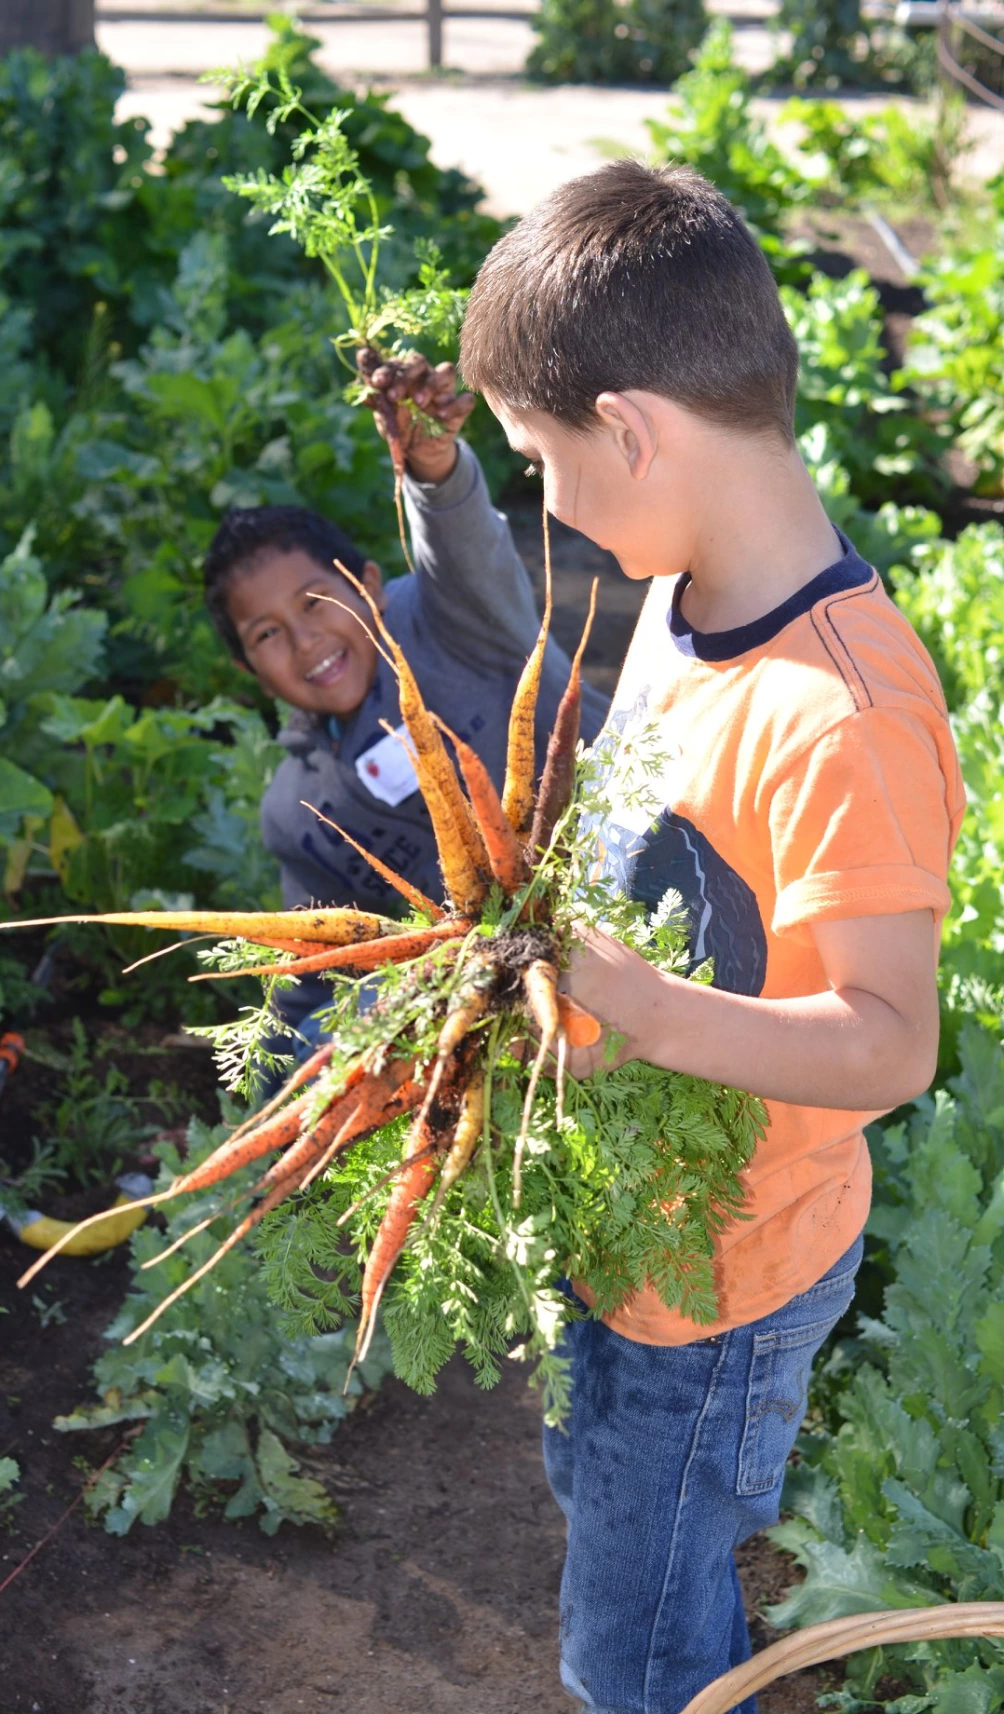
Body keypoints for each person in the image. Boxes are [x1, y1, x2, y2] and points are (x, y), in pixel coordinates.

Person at [458, 159, 964, 1714]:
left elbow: (890, 1042)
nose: (543, 500)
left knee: (639, 1649)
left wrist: (643, 1005)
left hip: (731, 1274)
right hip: (642, 1233)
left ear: (630, 429)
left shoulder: (843, 716)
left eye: (537, 457)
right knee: (602, 1504)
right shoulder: (685, 601)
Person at [204, 356, 608, 1050]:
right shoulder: (298, 807)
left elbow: (461, 542)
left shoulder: (449, 615)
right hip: (505, 975)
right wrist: (279, 1066)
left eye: (315, 602)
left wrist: (431, 465)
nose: (306, 644)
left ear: (368, 585)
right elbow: (314, 973)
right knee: (320, 1041)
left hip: (633, 863)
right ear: (247, 668)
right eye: (268, 635)